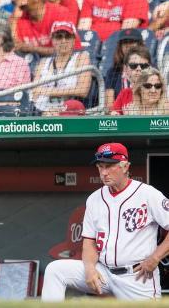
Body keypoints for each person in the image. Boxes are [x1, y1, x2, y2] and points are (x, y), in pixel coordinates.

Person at [41, 142, 169, 301]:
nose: (104, 172)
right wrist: (89, 269)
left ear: (125, 166)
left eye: (109, 166)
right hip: (104, 272)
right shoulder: (94, 199)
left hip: (136, 275)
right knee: (55, 270)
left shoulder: (148, 194)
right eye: (100, 167)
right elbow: (89, 242)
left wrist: (156, 257)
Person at [32, 21, 91, 115]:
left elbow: (83, 90)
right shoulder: (43, 63)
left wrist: (47, 91)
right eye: (59, 37)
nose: (63, 41)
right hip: (41, 111)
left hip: (69, 111)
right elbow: (35, 92)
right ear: (52, 40)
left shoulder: (81, 57)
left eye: (67, 36)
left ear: (74, 39)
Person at [10, 0, 76, 56]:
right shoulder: (19, 16)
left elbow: (65, 50)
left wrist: (33, 49)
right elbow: (13, 46)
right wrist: (13, 20)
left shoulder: (60, 13)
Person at [104, 29, 146, 109]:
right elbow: (109, 104)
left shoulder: (149, 67)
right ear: (120, 47)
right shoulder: (113, 72)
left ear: (140, 45)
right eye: (125, 42)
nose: (128, 45)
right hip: (119, 114)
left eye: (132, 42)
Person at [111, 46, 152, 115]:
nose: (139, 69)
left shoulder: (157, 90)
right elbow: (114, 118)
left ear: (150, 68)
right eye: (133, 65)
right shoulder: (124, 93)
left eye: (143, 66)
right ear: (125, 69)